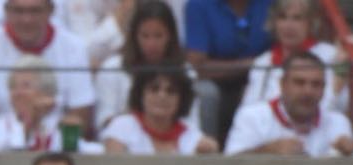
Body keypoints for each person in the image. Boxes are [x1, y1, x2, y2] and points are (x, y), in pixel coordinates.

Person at [0, 0, 96, 132]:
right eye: (19, 11)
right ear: (6, 11)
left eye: (35, 11)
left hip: (55, 144)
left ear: (51, 11)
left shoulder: (74, 47)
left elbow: (80, 117)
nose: (27, 20)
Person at [223, 51, 353, 155]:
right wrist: (267, 151)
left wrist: (349, 155)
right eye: (299, 82)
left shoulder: (339, 122)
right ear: (282, 84)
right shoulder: (251, 117)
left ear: (324, 89)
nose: (308, 91)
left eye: (316, 84)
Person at [184, 0, 275, 141]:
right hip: (214, 82)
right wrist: (250, 65)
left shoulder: (270, 3)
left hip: (261, 77)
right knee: (207, 93)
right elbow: (198, 67)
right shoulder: (199, 5)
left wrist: (257, 70)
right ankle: (208, 152)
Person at [239, 0, 344, 113]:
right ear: (274, 22)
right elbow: (247, 109)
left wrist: (342, 70)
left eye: (297, 18)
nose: (288, 26)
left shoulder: (330, 55)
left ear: (311, 23)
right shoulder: (262, 61)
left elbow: (337, 105)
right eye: (282, 17)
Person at [94, 0, 183, 129]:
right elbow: (104, 122)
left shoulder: (184, 71)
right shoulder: (112, 68)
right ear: (134, 36)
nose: (151, 44)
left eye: (158, 36)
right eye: (145, 36)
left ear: (170, 36)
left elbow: (190, 126)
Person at [101, 63, 219, 154]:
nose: (162, 96)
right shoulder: (122, 127)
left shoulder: (192, 136)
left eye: (171, 91)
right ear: (141, 95)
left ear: (181, 100)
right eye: (154, 89)